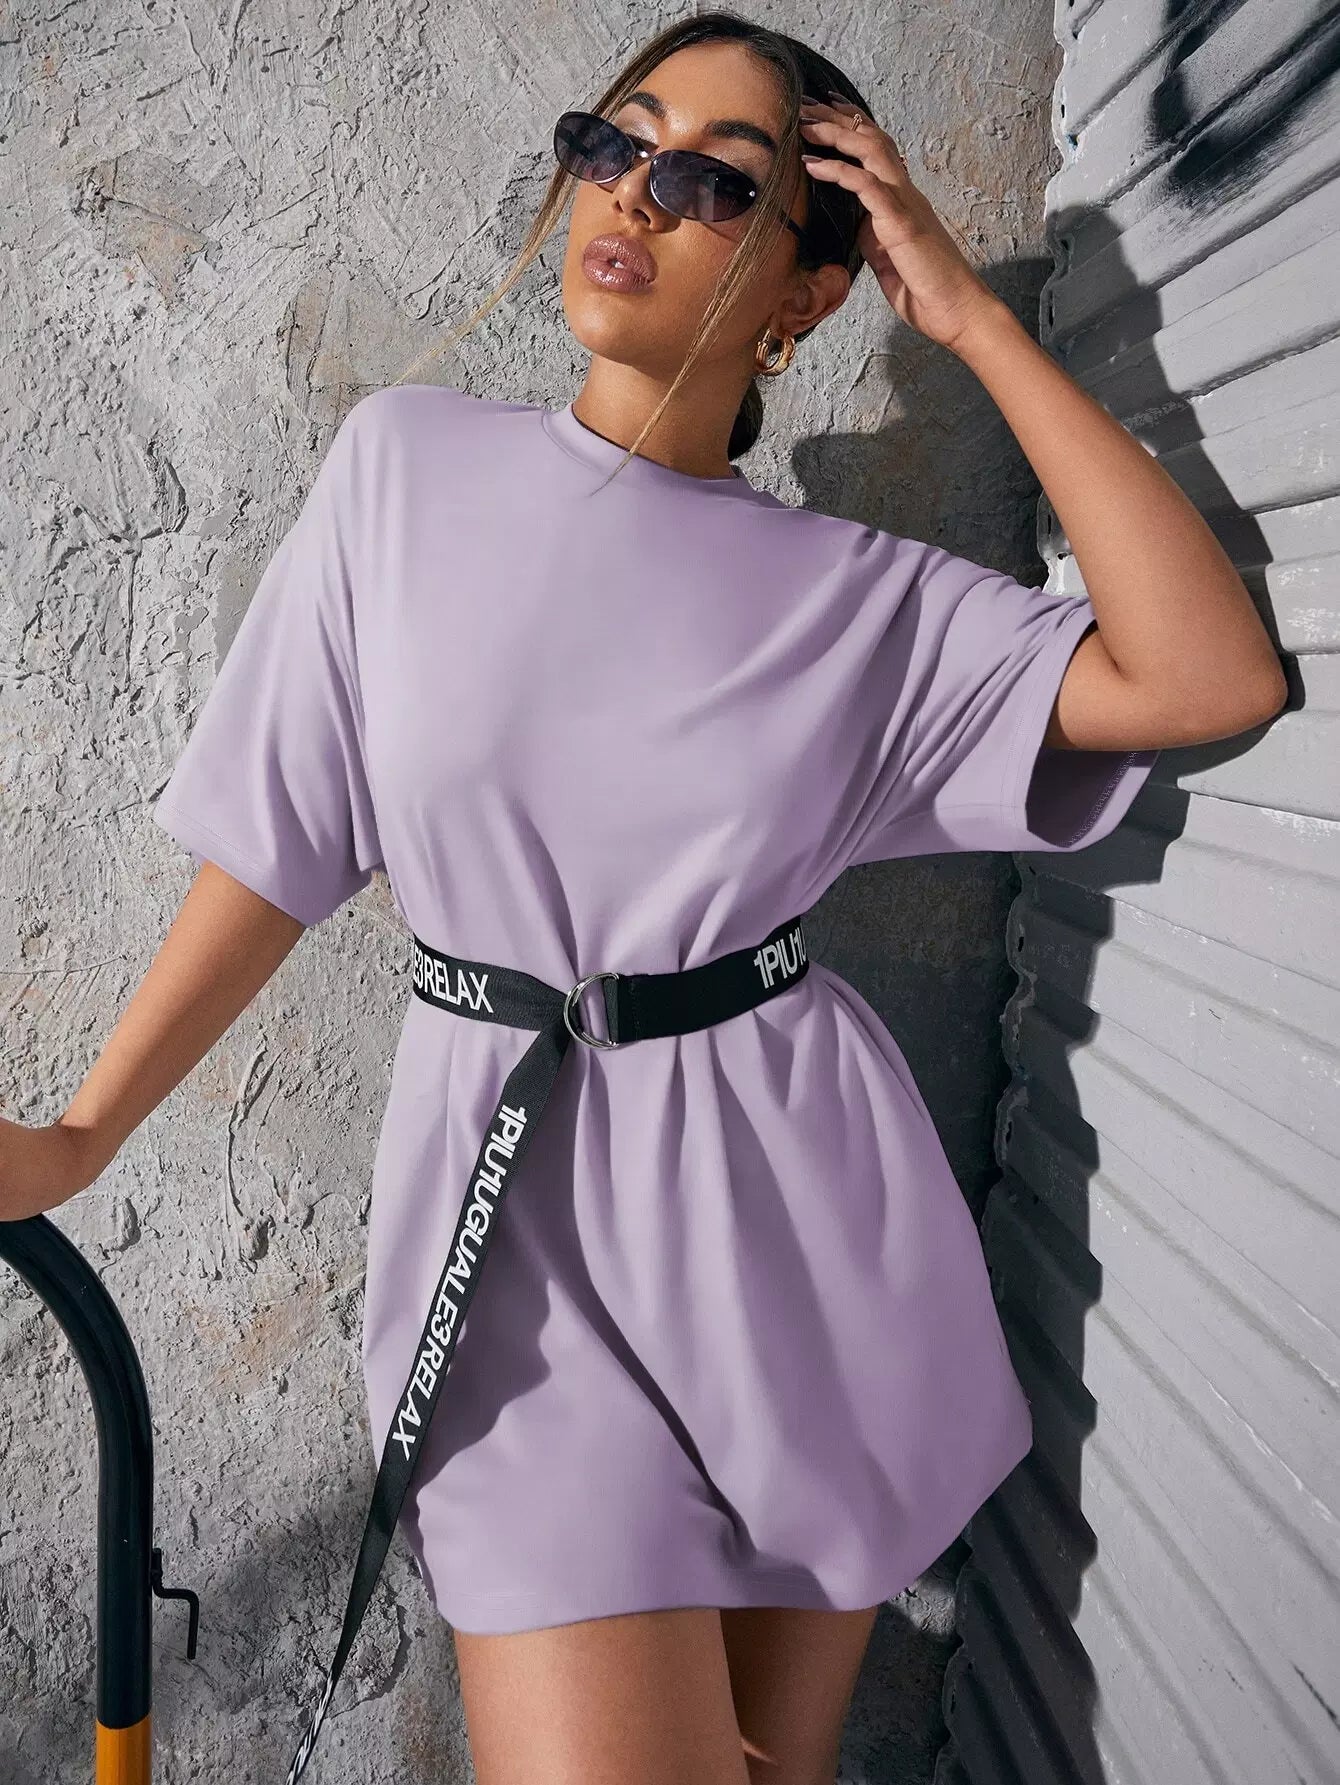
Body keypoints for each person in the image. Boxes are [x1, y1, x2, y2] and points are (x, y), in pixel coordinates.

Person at [2, 13, 1287, 1785]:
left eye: (717, 183)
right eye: (617, 145)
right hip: (503, 1240)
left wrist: (975, 321)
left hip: (796, 1232)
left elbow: (1211, 673)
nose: (637, 196)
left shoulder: (865, 599)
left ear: (810, 291)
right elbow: (278, 847)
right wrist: (85, 1132)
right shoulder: (404, 469)